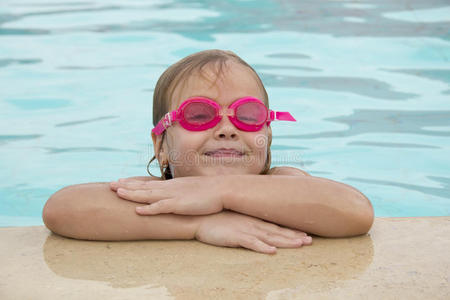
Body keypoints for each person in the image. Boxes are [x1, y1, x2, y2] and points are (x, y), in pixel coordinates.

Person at [42, 49, 374, 254]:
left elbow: (355, 212)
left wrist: (220, 190)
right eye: (199, 115)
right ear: (161, 147)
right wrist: (201, 224)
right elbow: (62, 208)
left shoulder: (283, 181)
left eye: (247, 115)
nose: (227, 128)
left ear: (267, 138)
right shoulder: (160, 193)